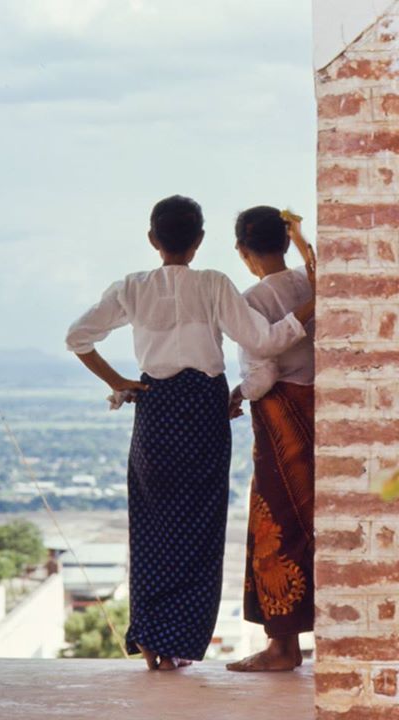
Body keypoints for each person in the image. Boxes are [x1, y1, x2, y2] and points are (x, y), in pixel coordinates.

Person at [65, 196, 315, 672]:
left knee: (151, 526)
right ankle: (182, 640)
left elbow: (78, 337)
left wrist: (117, 381)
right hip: (204, 408)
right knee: (201, 530)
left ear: (152, 240)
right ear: (199, 242)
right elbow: (262, 342)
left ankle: (153, 643)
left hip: (155, 411)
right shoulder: (214, 285)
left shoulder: (131, 288)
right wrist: (307, 310)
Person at [226, 206, 315, 673]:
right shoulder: (311, 280)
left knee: (276, 523)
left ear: (243, 252)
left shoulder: (253, 300)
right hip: (322, 411)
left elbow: (261, 375)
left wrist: (237, 393)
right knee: (320, 520)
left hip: (281, 419)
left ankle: (283, 646)